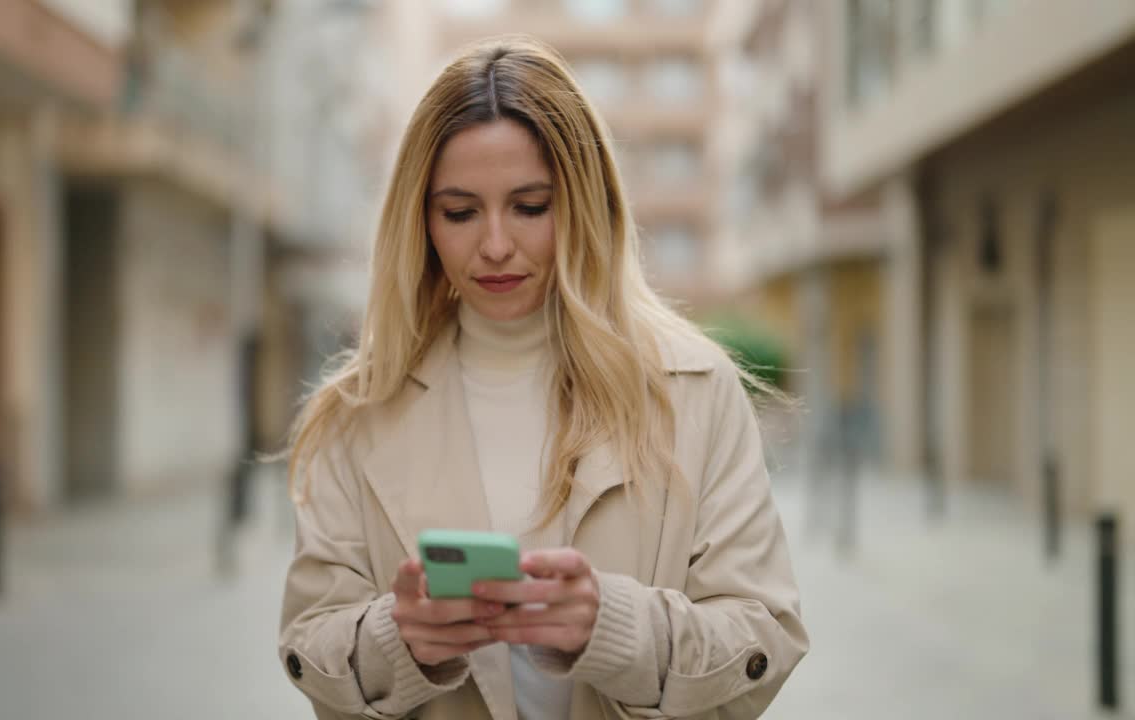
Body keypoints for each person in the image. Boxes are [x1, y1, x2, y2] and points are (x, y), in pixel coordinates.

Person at [279, 35, 808, 720]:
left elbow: (765, 637)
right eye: (460, 212)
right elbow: (308, 641)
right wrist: (399, 639)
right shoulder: (357, 411)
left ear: (586, 205)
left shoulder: (696, 389)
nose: (496, 244)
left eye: (531, 206)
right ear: (421, 219)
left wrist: (613, 627)